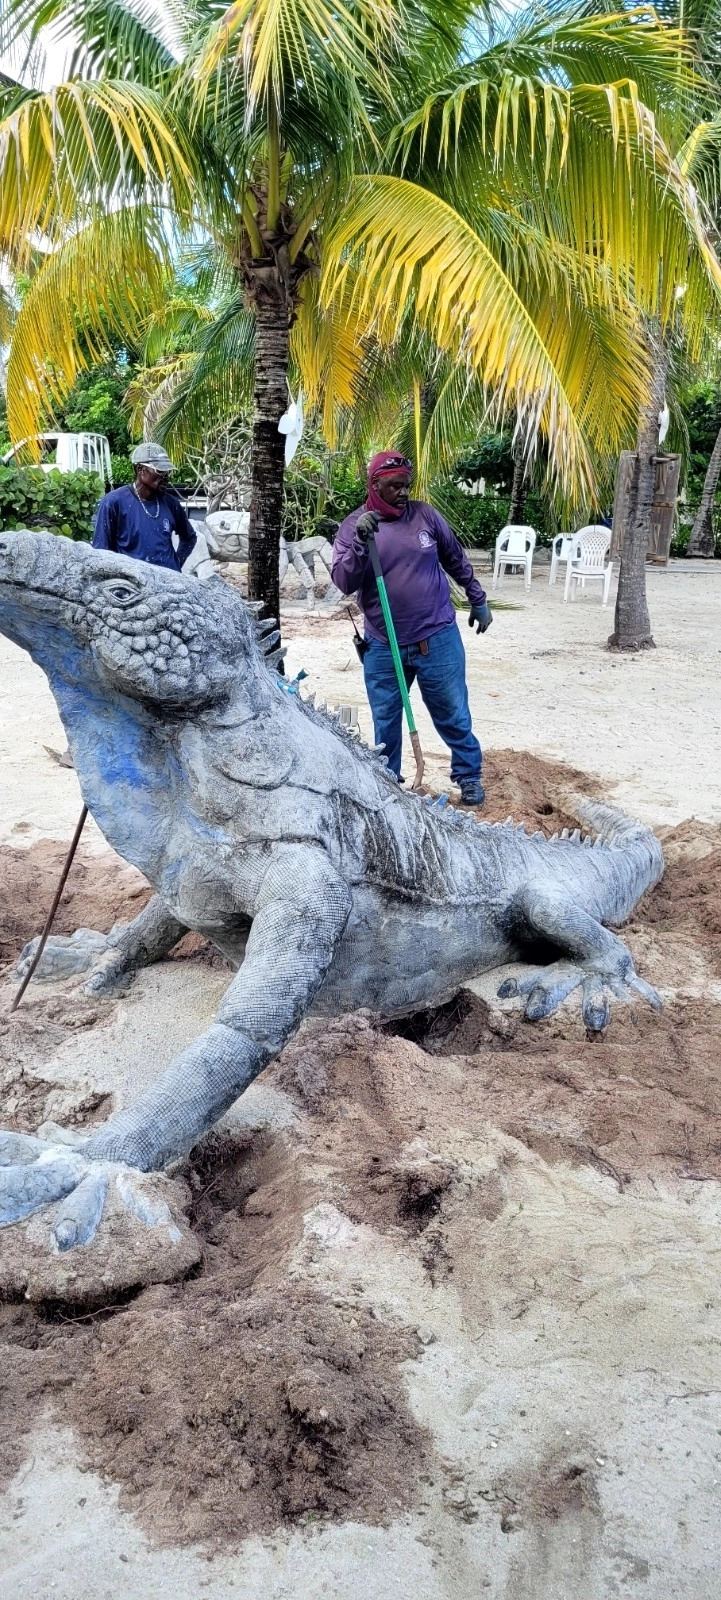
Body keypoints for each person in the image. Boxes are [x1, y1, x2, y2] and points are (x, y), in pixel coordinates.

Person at [331, 451, 492, 806]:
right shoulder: (353, 526)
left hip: (436, 637)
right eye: (395, 486)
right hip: (383, 644)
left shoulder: (425, 516)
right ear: (375, 485)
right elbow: (343, 580)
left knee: (452, 711)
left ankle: (468, 775)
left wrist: (478, 599)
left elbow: (455, 558)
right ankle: (388, 783)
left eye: (407, 485)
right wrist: (361, 543)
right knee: (385, 720)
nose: (403, 493)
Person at [92, 442, 196, 572]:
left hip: (169, 584)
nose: (166, 476)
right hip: (137, 586)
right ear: (140, 469)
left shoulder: (171, 503)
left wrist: (176, 562)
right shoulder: (114, 502)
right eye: (160, 470)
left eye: (167, 471)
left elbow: (190, 537)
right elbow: (101, 552)